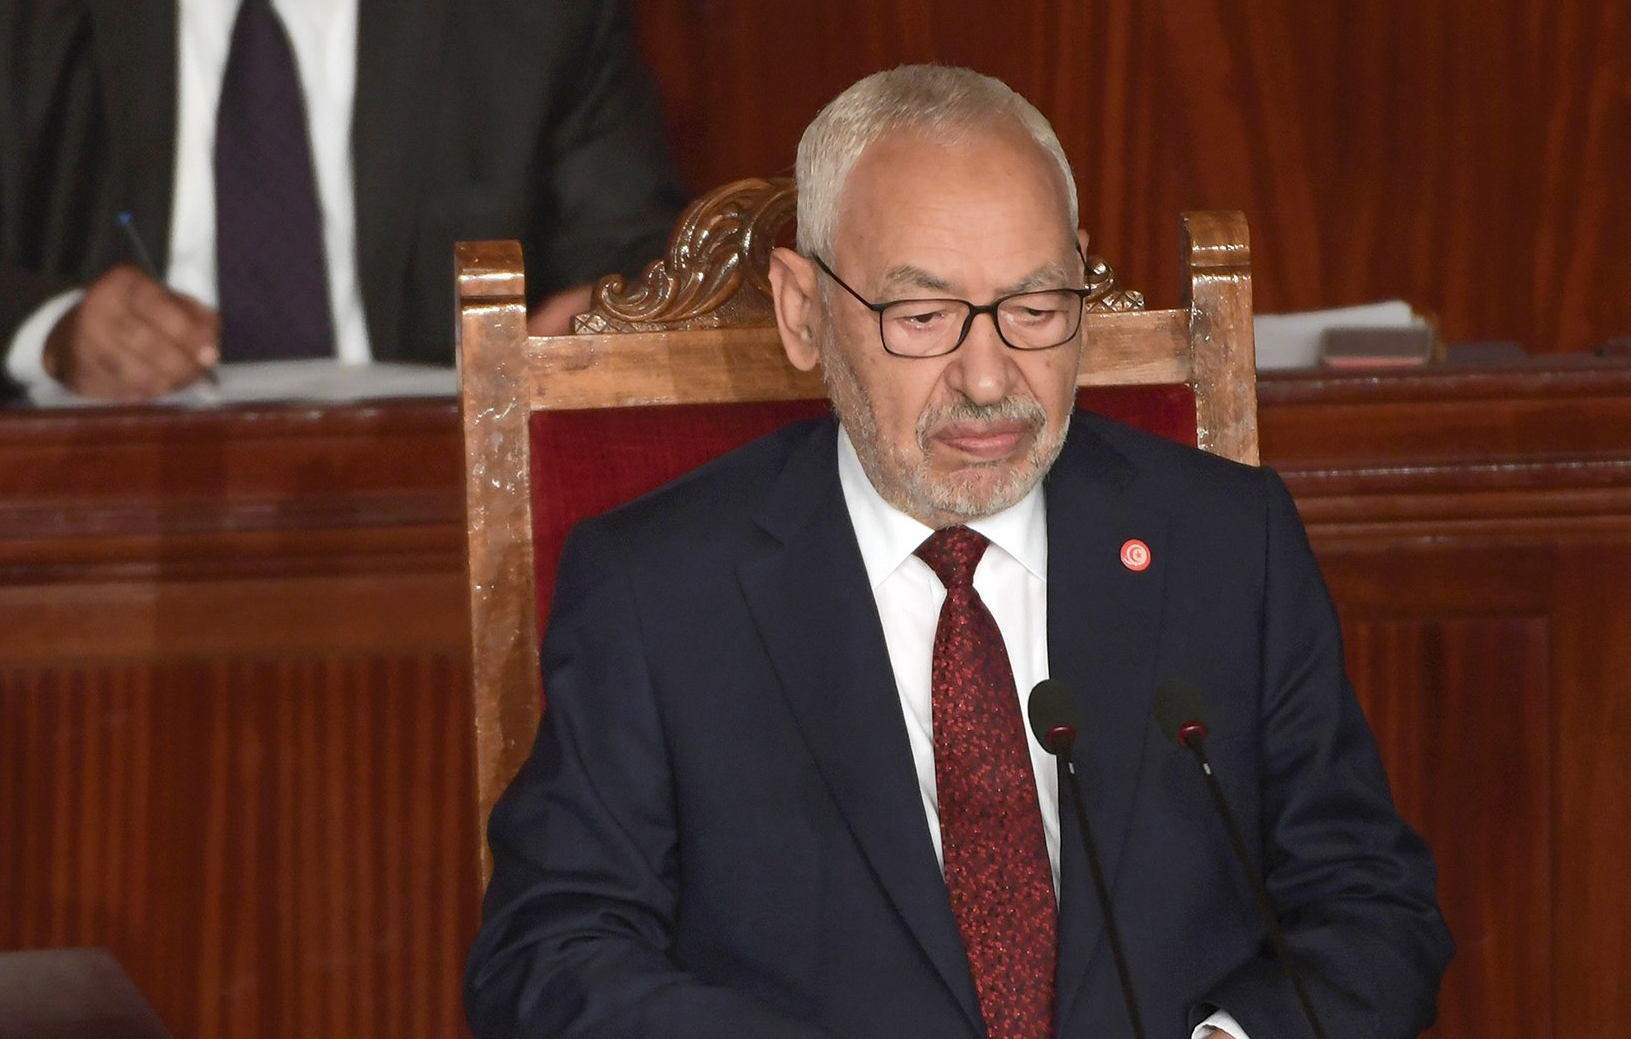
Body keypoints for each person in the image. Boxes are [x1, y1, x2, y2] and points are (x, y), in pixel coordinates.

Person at [465, 65, 1451, 1038]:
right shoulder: (660, 590)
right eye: (922, 318)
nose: (986, 379)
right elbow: (550, 953)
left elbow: (1371, 906)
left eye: (1035, 308)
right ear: (803, 312)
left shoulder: (1225, 545)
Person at [0, 0, 682, 405]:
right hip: (72, 514)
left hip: (438, 509)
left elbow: (633, 250)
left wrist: (605, 320)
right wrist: (53, 331)